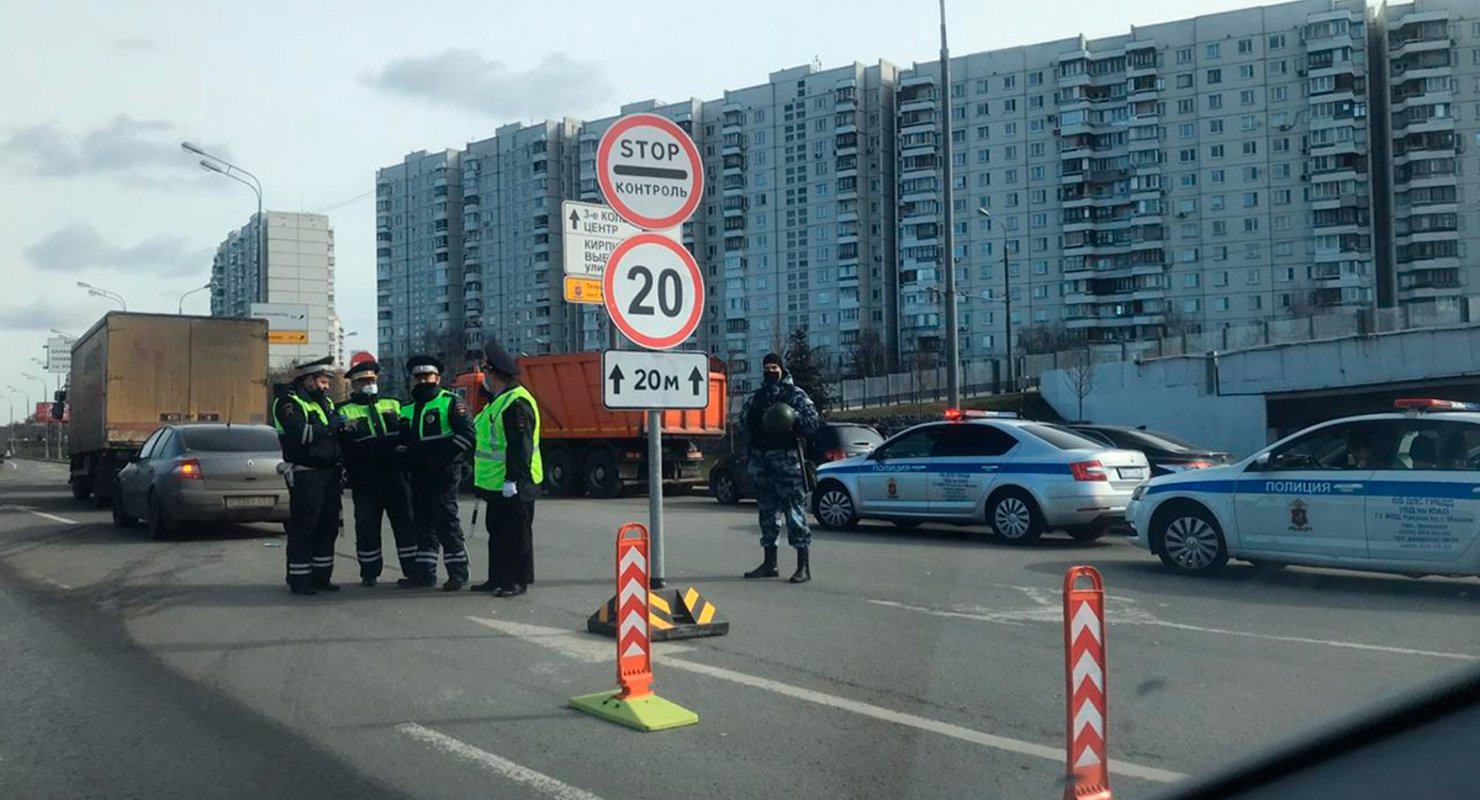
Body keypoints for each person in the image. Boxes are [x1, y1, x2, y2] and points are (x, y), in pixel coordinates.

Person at [740, 352, 820, 584]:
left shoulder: (794, 395)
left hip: (787, 464)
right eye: (767, 368)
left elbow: (812, 423)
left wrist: (791, 416)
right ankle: (769, 563)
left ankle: (803, 567)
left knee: (794, 514)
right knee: (767, 515)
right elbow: (744, 423)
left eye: (774, 367)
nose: (770, 371)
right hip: (762, 463)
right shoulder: (756, 397)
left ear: (782, 369)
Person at [398, 355, 476, 590]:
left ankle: (457, 573)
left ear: (438, 378)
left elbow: (467, 436)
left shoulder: (452, 402)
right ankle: (424, 574)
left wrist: (440, 459)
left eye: (427, 376)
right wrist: (403, 457)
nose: (423, 381)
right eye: (418, 377)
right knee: (421, 525)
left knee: (446, 522)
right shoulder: (407, 409)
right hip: (418, 475)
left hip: (444, 473)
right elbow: (402, 442)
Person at [336, 358, 415, 587]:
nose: (369, 384)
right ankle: (370, 572)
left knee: (405, 524)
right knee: (367, 526)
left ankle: (411, 569)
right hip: (365, 479)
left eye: (371, 379)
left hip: (396, 476)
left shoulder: (394, 403)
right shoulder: (343, 410)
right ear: (354, 384)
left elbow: (407, 434)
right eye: (363, 381)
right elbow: (343, 446)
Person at [470, 344, 541, 597]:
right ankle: (497, 577)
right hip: (497, 483)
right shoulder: (496, 402)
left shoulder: (517, 402)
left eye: (486, 374)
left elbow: (519, 447)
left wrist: (513, 479)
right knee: (497, 532)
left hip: (516, 482)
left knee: (517, 534)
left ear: (493, 374)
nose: (484, 379)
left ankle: (517, 581)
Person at [271, 356, 343, 596]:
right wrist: (331, 427)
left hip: (329, 474)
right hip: (306, 474)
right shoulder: (287, 403)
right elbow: (301, 434)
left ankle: (321, 577)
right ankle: (300, 579)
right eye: (322, 381)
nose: (325, 387)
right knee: (305, 527)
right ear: (308, 379)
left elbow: (331, 437)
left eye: (326, 383)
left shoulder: (325, 403)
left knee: (328, 526)